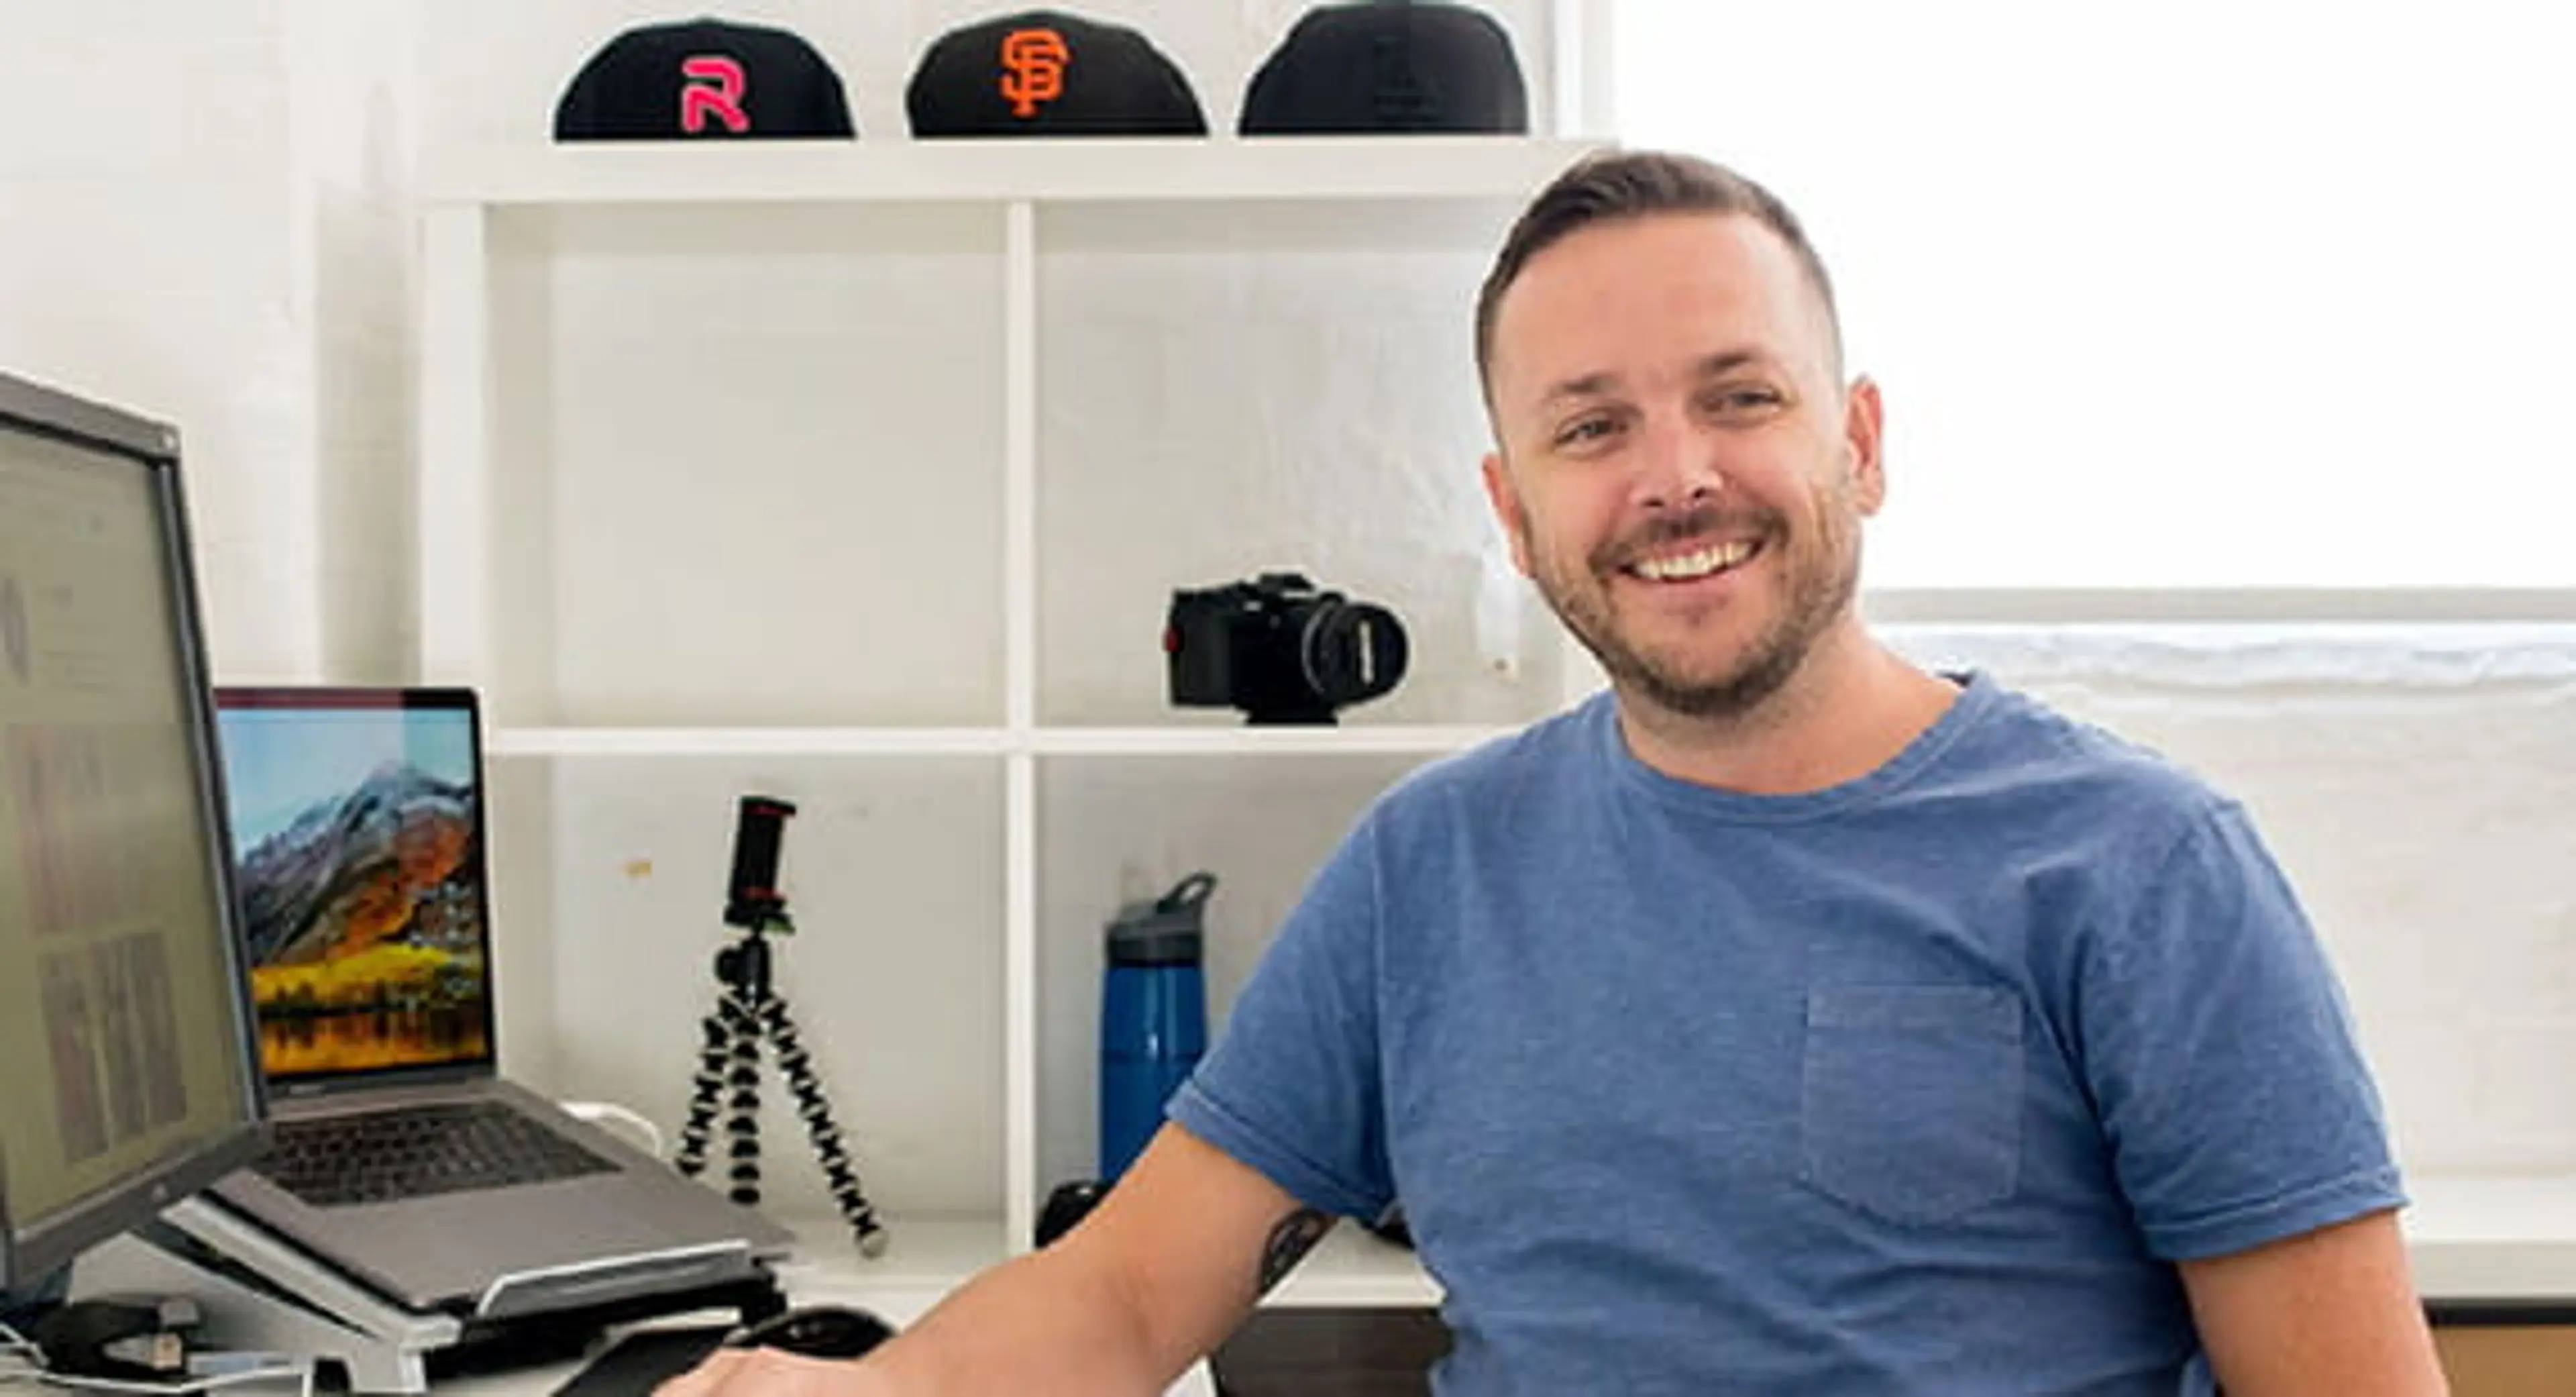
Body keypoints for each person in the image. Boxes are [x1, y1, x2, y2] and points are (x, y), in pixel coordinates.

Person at [661, 149, 2448, 1395]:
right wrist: (875, 1392)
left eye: (1739, 397)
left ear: (1862, 443)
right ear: (1515, 514)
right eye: (1593, 426)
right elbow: (1131, 1290)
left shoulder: (2137, 868)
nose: (1674, 475)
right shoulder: (1430, 865)